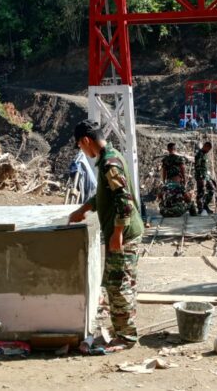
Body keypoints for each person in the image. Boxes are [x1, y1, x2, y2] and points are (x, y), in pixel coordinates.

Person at [68, 120, 144, 348]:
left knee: (117, 284)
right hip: (126, 230)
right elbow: (106, 195)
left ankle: (126, 336)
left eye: (81, 147)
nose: (83, 151)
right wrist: (84, 209)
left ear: (86, 141)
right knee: (122, 282)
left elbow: (125, 201)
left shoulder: (109, 163)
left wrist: (117, 233)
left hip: (125, 233)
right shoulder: (110, 157)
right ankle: (124, 327)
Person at [194, 141, 216, 214]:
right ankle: (201, 208)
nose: (208, 151)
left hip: (205, 176)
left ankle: (205, 205)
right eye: (208, 149)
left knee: (212, 189)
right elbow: (197, 167)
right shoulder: (199, 154)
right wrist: (200, 178)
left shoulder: (204, 154)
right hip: (201, 176)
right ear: (205, 146)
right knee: (201, 192)